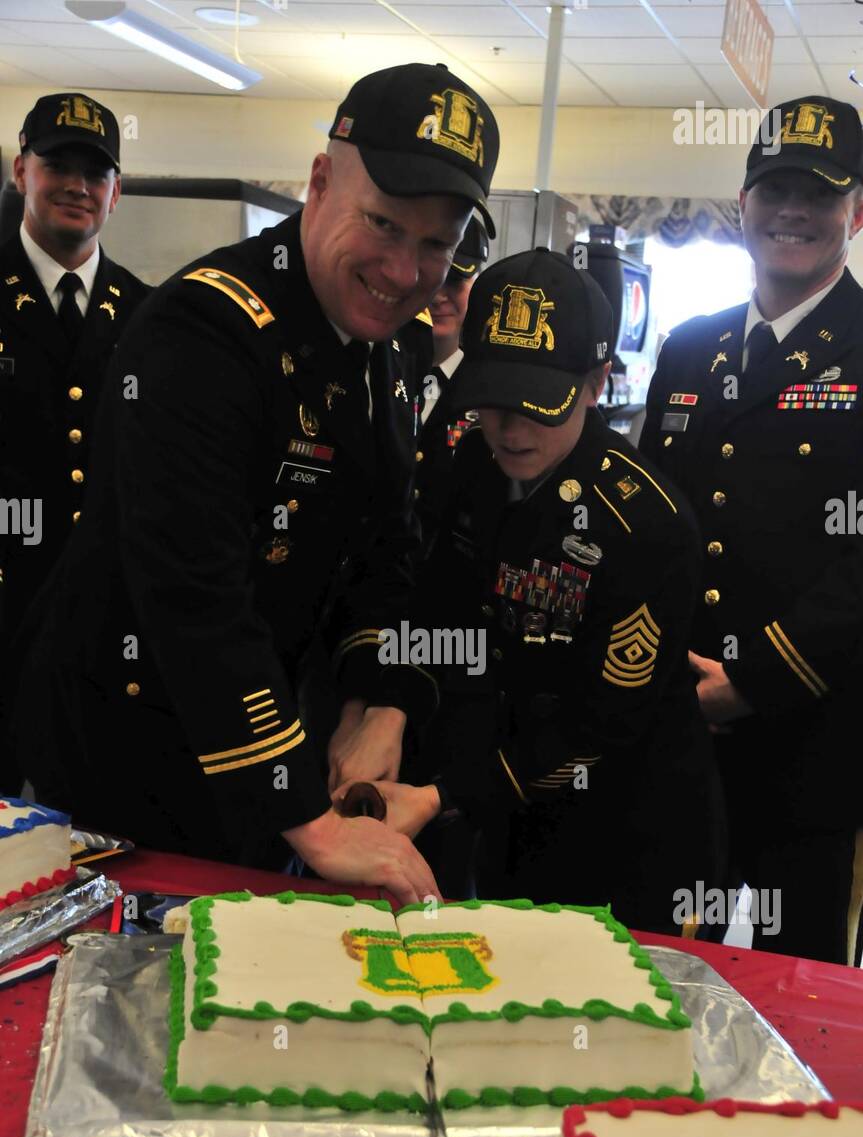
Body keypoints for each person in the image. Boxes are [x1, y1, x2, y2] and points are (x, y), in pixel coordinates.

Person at [11, 63, 500, 906]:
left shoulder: (383, 351)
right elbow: (195, 594)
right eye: (382, 223)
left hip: (260, 741)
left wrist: (380, 700)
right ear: (318, 183)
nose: (401, 269)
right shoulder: (202, 329)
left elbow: (388, 553)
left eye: (434, 245)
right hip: (124, 759)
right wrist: (306, 817)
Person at [345, 249, 724, 931]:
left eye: (536, 406)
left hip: (626, 833)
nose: (510, 429)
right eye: (493, 401)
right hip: (505, 814)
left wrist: (441, 794)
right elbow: (440, 610)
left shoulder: (643, 524)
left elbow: (602, 727)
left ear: (595, 382)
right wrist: (389, 706)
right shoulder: (471, 465)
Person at [640, 94, 863, 966]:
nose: (792, 212)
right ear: (742, 205)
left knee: (789, 981)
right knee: (658, 960)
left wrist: (754, 679)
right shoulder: (688, 350)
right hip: (671, 726)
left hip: (805, 738)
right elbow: (649, 520)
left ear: (856, 210)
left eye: (819, 192)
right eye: (773, 189)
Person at [0, 92, 149, 781]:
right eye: (59, 165)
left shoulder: (152, 316)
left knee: (86, 852)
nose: (77, 188)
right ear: (20, 169)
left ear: (116, 193)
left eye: (96, 174)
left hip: (99, 635)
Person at [413, 215, 488, 553]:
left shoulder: (488, 390)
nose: (438, 296)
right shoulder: (377, 364)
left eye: (455, 281)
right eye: (428, 279)